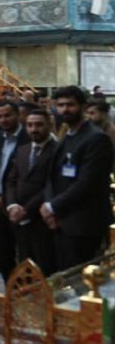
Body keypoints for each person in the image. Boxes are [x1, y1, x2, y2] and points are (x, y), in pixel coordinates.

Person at [41, 86, 115, 271]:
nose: (65, 109)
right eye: (60, 105)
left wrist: (53, 206)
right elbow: (53, 175)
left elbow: (87, 183)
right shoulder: (67, 136)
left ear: (82, 107)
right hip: (61, 220)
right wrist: (51, 208)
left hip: (84, 224)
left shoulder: (96, 139)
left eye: (70, 105)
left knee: (82, 283)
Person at [3, 107, 57, 274]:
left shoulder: (58, 150)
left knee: (45, 267)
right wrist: (12, 205)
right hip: (19, 220)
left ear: (49, 125)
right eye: (30, 125)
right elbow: (11, 180)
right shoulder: (23, 150)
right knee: (24, 267)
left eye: (39, 125)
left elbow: (52, 184)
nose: (34, 129)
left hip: (42, 220)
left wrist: (26, 210)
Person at [0, 99, 28, 279]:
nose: (4, 120)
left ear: (18, 115)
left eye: (8, 115)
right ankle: (13, 291)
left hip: (23, 207)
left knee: (27, 257)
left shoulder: (29, 138)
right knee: (1, 255)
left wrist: (12, 202)